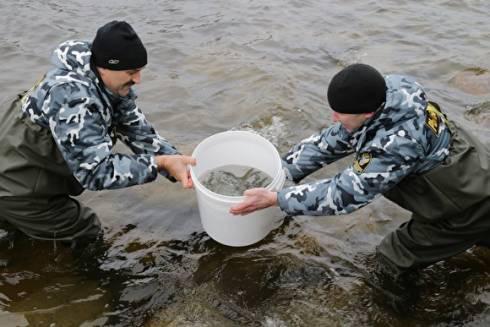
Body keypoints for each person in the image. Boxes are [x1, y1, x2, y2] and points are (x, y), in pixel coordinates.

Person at [230, 63, 490, 310]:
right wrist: (283, 171)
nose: (334, 117)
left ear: (368, 113)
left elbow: (343, 194)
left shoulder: (394, 146)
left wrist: (278, 199)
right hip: (475, 174)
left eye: (340, 113)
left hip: (465, 207)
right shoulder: (392, 90)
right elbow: (333, 140)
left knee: (393, 258)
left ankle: (400, 315)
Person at [0, 21, 195, 246]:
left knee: (21, 239)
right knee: (84, 231)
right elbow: (95, 172)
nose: (138, 80)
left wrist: (181, 166)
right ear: (105, 67)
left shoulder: (109, 83)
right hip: (14, 183)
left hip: (20, 167)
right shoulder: (72, 97)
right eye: (131, 72)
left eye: (140, 71)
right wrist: (158, 164)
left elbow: (137, 131)